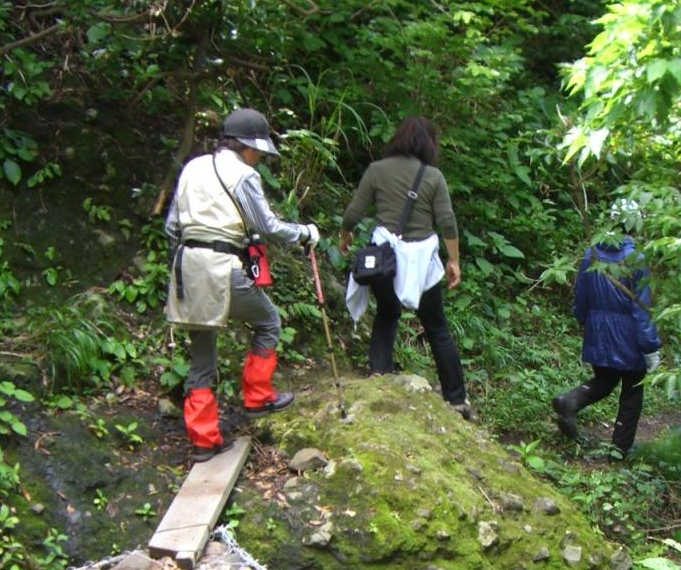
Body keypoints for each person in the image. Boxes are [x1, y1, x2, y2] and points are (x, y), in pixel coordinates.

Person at [164, 107, 320, 462]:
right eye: (259, 150)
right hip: (222, 266)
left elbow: (172, 227)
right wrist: (304, 233)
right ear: (247, 146)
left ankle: (204, 441)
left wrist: (182, 267)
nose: (260, 157)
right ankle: (258, 398)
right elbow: (268, 226)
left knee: (202, 358)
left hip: (187, 268)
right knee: (269, 321)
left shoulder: (193, 167)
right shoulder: (244, 175)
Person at [338, 115, 472, 419]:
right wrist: (453, 260)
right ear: (429, 144)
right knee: (437, 328)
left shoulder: (377, 170)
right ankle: (456, 398)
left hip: (385, 258)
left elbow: (355, 211)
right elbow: (447, 221)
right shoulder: (433, 176)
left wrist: (345, 236)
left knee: (387, 313)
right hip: (422, 262)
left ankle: (379, 372)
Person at [552, 228, 661, 456]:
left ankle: (570, 401)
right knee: (632, 391)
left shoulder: (592, 253)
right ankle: (620, 449)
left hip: (598, 330)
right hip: (629, 335)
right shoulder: (637, 259)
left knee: (605, 380)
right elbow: (641, 309)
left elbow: (581, 293)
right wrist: (650, 346)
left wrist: (585, 320)